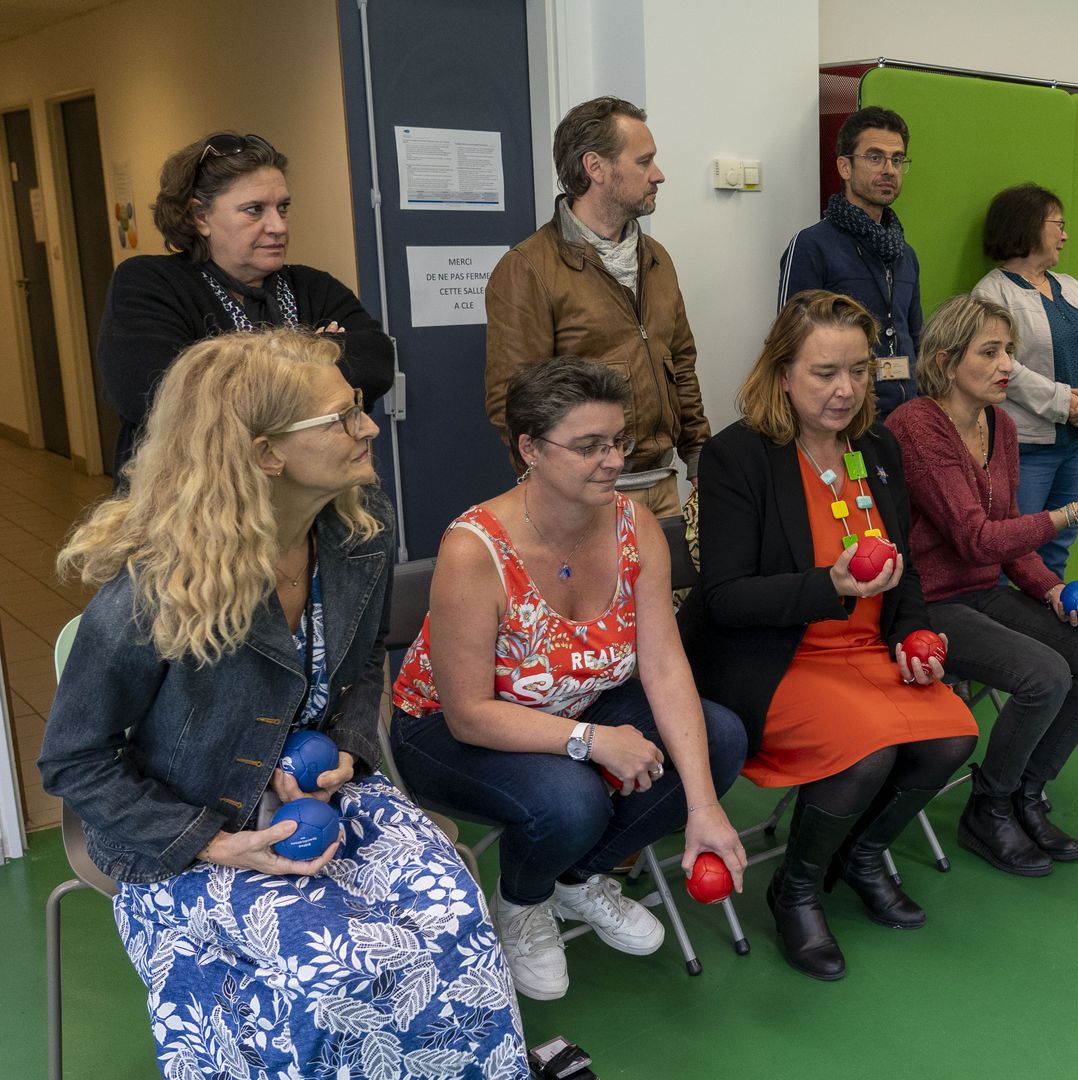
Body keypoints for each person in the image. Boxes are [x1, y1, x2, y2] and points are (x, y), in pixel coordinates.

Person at [39, 330, 525, 1077]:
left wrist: (350, 753)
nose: (367, 427)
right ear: (266, 454)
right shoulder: (157, 588)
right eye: (340, 418)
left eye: (357, 408)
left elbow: (361, 666)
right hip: (182, 835)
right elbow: (75, 759)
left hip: (312, 796)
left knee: (455, 918)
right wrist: (214, 841)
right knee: (333, 976)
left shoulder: (359, 537)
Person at [390, 356, 748, 1001]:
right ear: (529, 447)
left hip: (573, 703)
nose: (613, 461)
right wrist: (590, 741)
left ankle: (573, 878)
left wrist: (704, 808)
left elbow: (664, 663)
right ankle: (522, 902)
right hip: (448, 730)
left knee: (718, 738)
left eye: (618, 441)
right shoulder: (475, 548)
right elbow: (469, 712)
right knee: (569, 798)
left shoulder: (633, 525)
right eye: (588, 446)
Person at [681, 290, 978, 981]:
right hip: (776, 660)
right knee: (867, 751)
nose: (846, 390)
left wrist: (914, 638)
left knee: (953, 735)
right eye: (824, 373)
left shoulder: (875, 450)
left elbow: (902, 569)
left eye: (859, 370)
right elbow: (724, 598)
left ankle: (864, 853)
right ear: (782, 372)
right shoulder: (738, 458)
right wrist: (830, 587)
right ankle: (797, 889)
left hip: (867, 655)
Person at [887, 295, 1078, 876]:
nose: (1007, 365)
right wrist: (1077, 511)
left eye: (1010, 351)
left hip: (984, 593)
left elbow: (1006, 537)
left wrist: (1049, 589)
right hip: (930, 604)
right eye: (991, 352)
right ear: (949, 360)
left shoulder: (1000, 423)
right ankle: (990, 805)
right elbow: (976, 539)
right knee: (1044, 673)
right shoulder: (917, 426)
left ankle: (1026, 792)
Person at [95, 132, 393, 480]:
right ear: (200, 216)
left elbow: (376, 362)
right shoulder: (149, 283)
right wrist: (316, 356)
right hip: (192, 506)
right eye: (254, 210)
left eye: (283, 207)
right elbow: (162, 398)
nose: (278, 226)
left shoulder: (313, 286)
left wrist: (228, 380)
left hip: (314, 508)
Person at [487, 96, 708, 517]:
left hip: (663, 489)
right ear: (595, 167)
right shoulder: (528, 268)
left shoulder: (656, 257)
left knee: (671, 586)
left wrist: (699, 458)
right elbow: (512, 403)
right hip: (582, 495)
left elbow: (681, 366)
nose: (658, 175)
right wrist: (559, 486)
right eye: (644, 162)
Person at [970, 184, 1078, 578]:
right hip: (1027, 446)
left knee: (1059, 546)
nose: (1065, 234)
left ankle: (1049, 626)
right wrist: (1068, 403)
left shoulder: (1070, 286)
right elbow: (1004, 366)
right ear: (1029, 226)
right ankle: (1005, 636)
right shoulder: (991, 291)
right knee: (1013, 546)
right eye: (1059, 224)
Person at [777, 107, 924, 420]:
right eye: (875, 157)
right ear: (844, 166)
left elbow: (916, 336)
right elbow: (790, 343)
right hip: (843, 414)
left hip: (906, 415)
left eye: (897, 159)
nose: (889, 169)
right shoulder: (812, 245)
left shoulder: (905, 253)